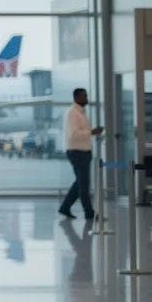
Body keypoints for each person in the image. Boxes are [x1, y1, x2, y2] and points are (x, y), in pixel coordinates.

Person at [59, 87, 102, 220]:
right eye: (84, 96)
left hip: (84, 151)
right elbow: (73, 134)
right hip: (77, 152)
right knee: (84, 184)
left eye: (86, 95)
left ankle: (65, 207)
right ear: (76, 98)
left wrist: (92, 133)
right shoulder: (73, 113)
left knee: (80, 182)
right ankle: (89, 213)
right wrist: (92, 132)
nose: (86, 98)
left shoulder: (81, 113)